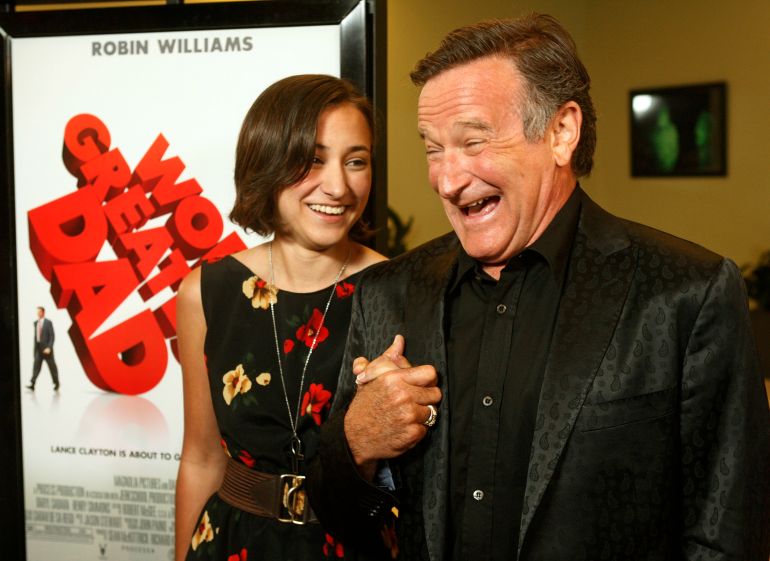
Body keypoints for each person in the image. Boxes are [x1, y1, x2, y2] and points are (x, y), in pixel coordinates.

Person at [307, 14, 770, 561]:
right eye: (433, 149)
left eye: (473, 141)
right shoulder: (387, 292)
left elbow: (726, 533)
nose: (447, 180)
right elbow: (337, 516)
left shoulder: (686, 294)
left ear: (561, 132)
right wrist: (358, 442)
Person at [174, 74, 386, 561]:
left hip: (352, 544)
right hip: (232, 542)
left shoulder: (398, 290)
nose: (338, 186)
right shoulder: (206, 291)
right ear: (268, 160)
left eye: (356, 161)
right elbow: (201, 458)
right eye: (312, 159)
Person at [28, 306, 59, 391]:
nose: (38, 313)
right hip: (38, 349)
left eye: (39, 312)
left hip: (47, 350)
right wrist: (34, 350)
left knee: (52, 367)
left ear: (43, 312)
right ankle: (32, 384)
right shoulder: (35, 323)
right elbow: (36, 337)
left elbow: (52, 336)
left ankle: (56, 383)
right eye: (37, 312)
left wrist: (49, 347)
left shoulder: (48, 322)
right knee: (36, 367)